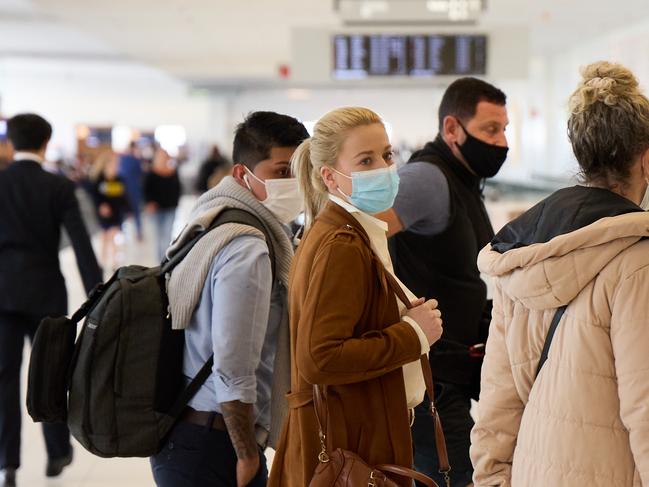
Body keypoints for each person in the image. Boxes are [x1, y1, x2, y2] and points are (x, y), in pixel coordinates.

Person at [471, 61, 649, 486]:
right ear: (646, 160)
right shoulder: (637, 264)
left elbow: (498, 394)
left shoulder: (522, 254)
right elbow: (645, 409)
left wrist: (493, 478)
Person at [268, 107, 444, 487]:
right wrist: (412, 335)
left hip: (354, 436)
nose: (384, 167)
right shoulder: (342, 244)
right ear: (330, 177)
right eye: (366, 160)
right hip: (352, 449)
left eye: (387, 154)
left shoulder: (344, 230)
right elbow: (319, 357)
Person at [150, 111, 309, 487]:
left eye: (301, 170)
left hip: (186, 429)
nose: (294, 183)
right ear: (242, 174)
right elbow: (234, 363)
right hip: (214, 442)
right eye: (282, 170)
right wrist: (246, 453)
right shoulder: (247, 248)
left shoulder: (211, 216)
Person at [376, 78, 509, 486]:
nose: (501, 142)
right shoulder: (428, 179)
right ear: (452, 129)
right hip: (430, 380)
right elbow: (361, 240)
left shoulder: (463, 180)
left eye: (505, 130)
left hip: (453, 369)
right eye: (490, 130)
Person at [0, 114, 103, 487]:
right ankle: (57, 451)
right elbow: (80, 243)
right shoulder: (58, 187)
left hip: (4, 292)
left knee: (5, 377)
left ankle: (7, 463)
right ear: (45, 145)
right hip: (45, 290)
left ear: (10, 143)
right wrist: (98, 292)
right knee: (49, 371)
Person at [90, 151, 130, 271]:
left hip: (117, 213)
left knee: (113, 236)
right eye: (113, 164)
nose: (115, 167)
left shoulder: (120, 179)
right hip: (104, 214)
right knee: (105, 237)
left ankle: (113, 263)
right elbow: (95, 197)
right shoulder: (99, 180)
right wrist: (101, 206)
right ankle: (102, 262)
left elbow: (124, 197)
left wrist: (128, 210)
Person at [144, 147, 181, 262]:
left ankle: (165, 261)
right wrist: (149, 203)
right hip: (156, 211)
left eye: (165, 156)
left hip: (170, 209)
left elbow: (177, 189)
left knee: (167, 236)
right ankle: (159, 263)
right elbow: (145, 191)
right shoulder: (150, 173)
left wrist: (175, 203)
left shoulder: (173, 172)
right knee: (158, 238)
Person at [118, 141, 144, 240]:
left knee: (125, 211)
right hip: (132, 189)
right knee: (135, 212)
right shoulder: (135, 160)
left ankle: (122, 231)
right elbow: (140, 174)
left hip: (126, 189)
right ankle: (138, 232)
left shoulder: (123, 159)